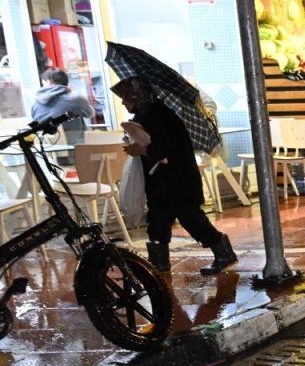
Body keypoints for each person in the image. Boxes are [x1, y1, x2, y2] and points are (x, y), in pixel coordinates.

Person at [111, 76, 237, 275]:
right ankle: (160, 263)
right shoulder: (148, 114)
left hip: (176, 183)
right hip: (166, 184)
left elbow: (165, 150)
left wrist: (141, 150)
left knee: (190, 219)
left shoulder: (159, 116)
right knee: (161, 221)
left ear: (138, 96)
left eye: (126, 98)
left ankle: (223, 253)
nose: (124, 103)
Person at [30, 68, 94, 144]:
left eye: (43, 83)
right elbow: (90, 114)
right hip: (76, 148)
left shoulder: (35, 104)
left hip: (48, 149)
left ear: (48, 82)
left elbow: (34, 123)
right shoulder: (76, 98)